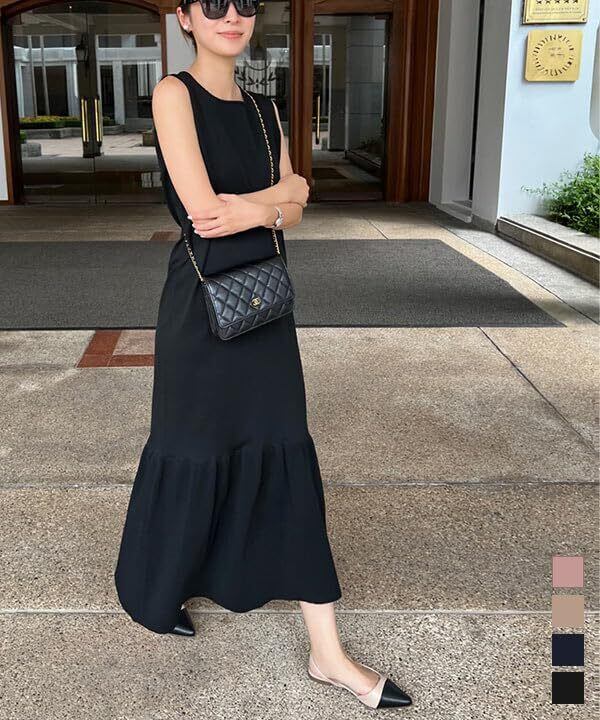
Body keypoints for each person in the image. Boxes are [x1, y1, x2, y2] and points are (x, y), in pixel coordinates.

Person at [114, 0, 411, 710]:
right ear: (185, 17)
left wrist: (269, 205)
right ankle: (159, 586)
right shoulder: (173, 95)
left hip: (267, 305)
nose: (232, 15)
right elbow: (206, 212)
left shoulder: (266, 109)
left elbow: (297, 209)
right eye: (213, 4)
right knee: (193, 446)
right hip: (201, 309)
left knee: (284, 449)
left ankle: (327, 653)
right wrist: (277, 199)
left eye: (245, 2)